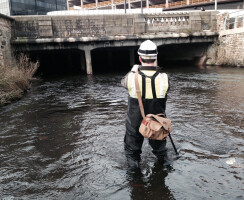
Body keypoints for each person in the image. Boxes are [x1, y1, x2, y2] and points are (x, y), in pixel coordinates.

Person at [121, 40, 170, 170]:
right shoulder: (164, 78)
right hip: (156, 122)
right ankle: (165, 169)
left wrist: (133, 71)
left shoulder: (131, 77)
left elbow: (123, 83)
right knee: (160, 149)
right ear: (155, 58)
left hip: (134, 121)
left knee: (132, 153)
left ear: (139, 58)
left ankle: (136, 181)